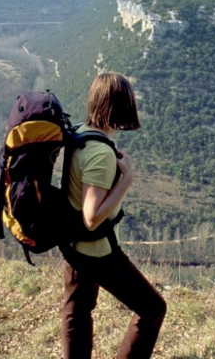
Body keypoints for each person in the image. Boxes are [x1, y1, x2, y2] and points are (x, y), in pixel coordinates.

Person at [59, 72, 166, 359]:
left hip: (72, 246)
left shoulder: (80, 133)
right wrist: (126, 180)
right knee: (153, 309)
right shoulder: (100, 155)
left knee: (77, 314)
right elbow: (92, 217)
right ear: (122, 107)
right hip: (97, 252)